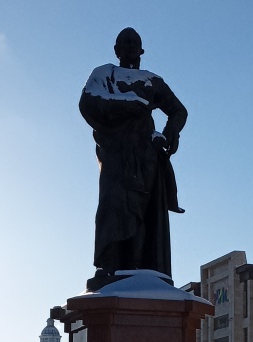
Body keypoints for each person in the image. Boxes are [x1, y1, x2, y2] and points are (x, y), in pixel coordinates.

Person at [79, 27, 187, 283]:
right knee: (112, 205)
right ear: (116, 50)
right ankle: (110, 265)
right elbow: (88, 102)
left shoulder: (151, 81)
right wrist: (128, 104)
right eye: (124, 43)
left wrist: (166, 134)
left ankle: (137, 267)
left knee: (141, 211)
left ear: (141, 50)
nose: (129, 46)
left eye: (134, 43)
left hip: (144, 156)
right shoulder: (105, 74)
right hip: (115, 155)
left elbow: (179, 111)